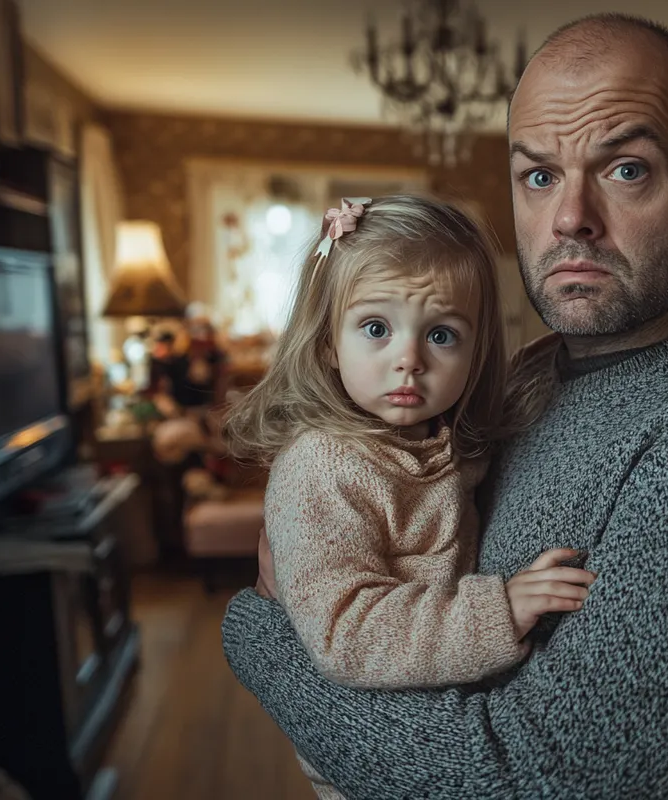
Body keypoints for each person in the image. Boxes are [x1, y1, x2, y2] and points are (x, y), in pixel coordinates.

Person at [223, 13, 668, 799]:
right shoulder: (529, 376)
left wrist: (258, 630)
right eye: (539, 175)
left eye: (626, 169)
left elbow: (533, 783)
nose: (569, 219)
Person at [221, 195, 598, 799]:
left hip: (445, 710)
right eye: (376, 328)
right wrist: (498, 608)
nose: (409, 361)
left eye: (442, 335)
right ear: (327, 345)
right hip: (372, 756)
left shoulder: (439, 440)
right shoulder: (323, 465)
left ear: (475, 355)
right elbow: (346, 634)